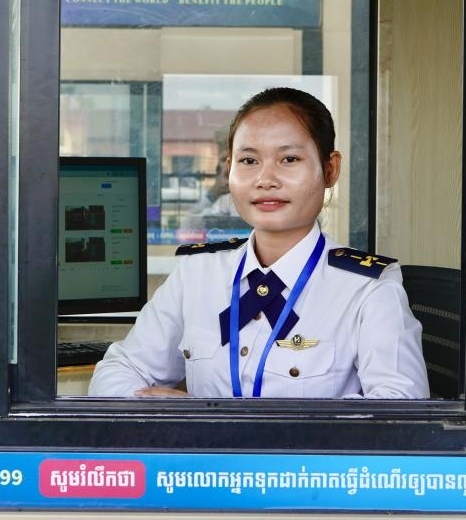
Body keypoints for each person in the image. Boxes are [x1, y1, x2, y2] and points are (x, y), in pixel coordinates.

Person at [90, 87, 429, 399]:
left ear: (330, 169)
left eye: (289, 159)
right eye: (249, 161)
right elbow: (118, 371)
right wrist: (157, 407)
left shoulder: (367, 288)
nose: (266, 179)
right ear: (229, 170)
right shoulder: (196, 274)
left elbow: (401, 409)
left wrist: (222, 424)